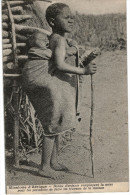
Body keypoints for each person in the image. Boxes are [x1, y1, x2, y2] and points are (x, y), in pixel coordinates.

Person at [22, 3, 97, 179]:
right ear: (52, 21)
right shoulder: (58, 39)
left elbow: (60, 56)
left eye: (72, 16)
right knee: (53, 119)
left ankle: (53, 161)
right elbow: (60, 65)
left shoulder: (57, 38)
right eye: (66, 17)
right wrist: (84, 71)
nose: (71, 19)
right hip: (41, 81)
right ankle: (44, 166)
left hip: (43, 79)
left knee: (57, 118)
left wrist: (73, 50)